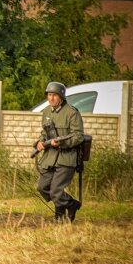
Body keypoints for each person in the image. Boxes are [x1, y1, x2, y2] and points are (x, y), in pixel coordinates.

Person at [34, 81, 85, 221]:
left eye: (54, 95)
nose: (51, 98)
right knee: (42, 187)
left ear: (61, 97)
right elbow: (44, 133)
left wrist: (62, 143)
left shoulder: (71, 112)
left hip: (66, 158)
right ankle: (67, 204)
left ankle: (68, 207)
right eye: (49, 95)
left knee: (56, 190)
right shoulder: (46, 112)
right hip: (49, 157)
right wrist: (39, 142)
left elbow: (78, 136)